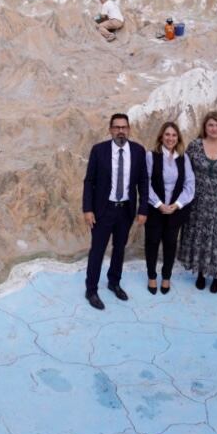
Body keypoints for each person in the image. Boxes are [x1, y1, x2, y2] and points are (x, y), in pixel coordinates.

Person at [81, 112, 148, 310]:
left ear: (129, 130)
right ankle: (91, 289)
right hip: (103, 211)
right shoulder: (99, 150)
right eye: (116, 127)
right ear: (110, 130)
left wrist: (143, 209)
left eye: (124, 127)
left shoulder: (138, 151)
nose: (120, 131)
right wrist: (87, 209)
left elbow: (143, 182)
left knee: (119, 249)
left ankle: (114, 282)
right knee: (97, 250)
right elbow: (89, 181)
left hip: (125, 210)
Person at [180, 110, 217, 294]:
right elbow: (184, 173)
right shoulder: (195, 146)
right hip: (198, 204)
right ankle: (200, 273)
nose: (214, 129)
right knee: (199, 239)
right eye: (210, 125)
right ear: (205, 127)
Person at [143, 122, 195, 295]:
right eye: (167, 134)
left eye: (174, 135)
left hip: (175, 211)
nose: (170, 138)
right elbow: (146, 183)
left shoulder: (183, 158)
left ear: (178, 138)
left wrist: (176, 205)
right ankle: (151, 276)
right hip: (154, 209)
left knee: (170, 244)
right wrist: (159, 204)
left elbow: (190, 185)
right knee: (152, 243)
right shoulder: (151, 156)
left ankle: (166, 277)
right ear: (161, 137)